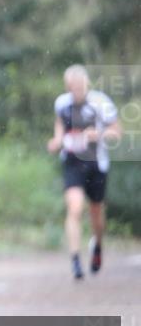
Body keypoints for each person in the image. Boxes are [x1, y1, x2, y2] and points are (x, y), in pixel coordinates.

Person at [47, 65, 121, 280]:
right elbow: (59, 128)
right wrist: (56, 141)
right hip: (72, 162)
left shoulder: (100, 102)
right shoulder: (62, 103)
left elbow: (117, 131)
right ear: (67, 86)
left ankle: (98, 245)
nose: (77, 91)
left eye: (80, 87)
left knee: (96, 212)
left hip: (96, 163)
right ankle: (75, 260)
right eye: (73, 88)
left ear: (86, 84)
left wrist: (99, 134)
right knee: (75, 207)